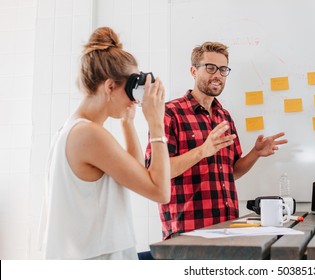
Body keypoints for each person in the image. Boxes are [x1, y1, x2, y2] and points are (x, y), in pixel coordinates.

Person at [39, 27, 170, 259]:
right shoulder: (88, 135)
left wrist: (128, 124)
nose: (134, 100)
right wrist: (156, 123)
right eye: (131, 90)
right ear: (110, 87)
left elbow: (137, 176)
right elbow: (160, 191)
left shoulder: (72, 130)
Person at [145, 41, 287, 239]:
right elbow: (158, 173)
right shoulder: (170, 113)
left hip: (227, 226)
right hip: (187, 232)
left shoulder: (224, 116)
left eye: (222, 69)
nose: (218, 75)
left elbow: (232, 172)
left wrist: (255, 154)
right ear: (193, 71)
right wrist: (203, 150)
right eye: (210, 68)